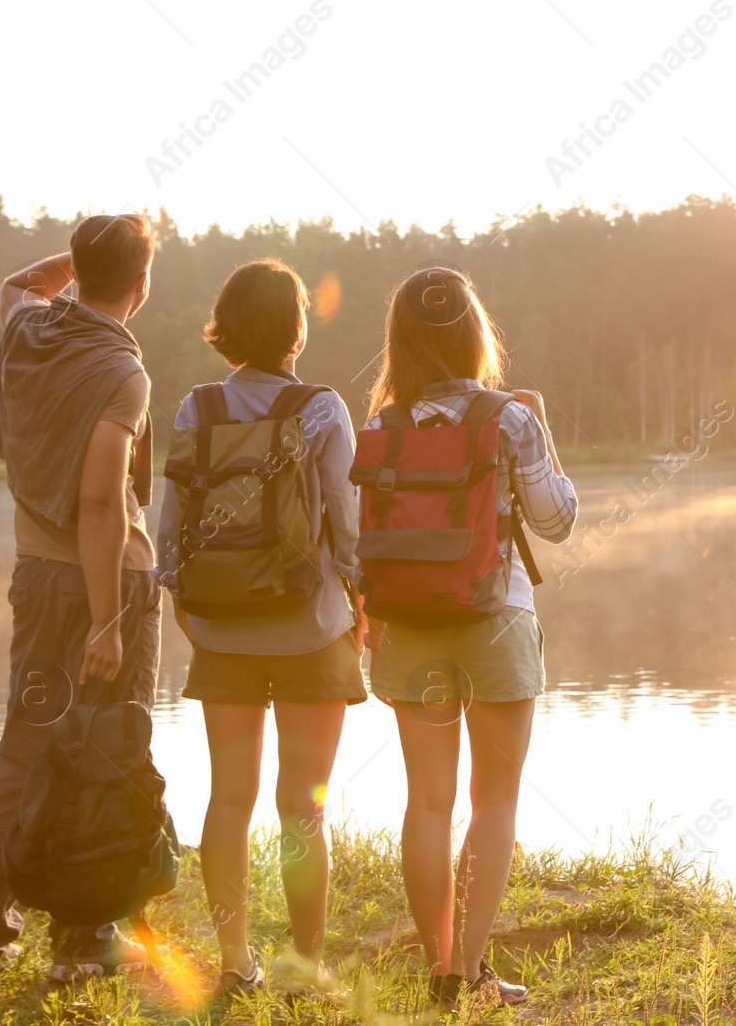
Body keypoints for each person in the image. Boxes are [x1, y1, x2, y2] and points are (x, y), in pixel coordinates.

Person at [0, 214, 162, 983]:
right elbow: (102, 503)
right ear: (142, 285)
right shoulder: (122, 372)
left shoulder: (28, 330)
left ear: (76, 269)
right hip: (107, 583)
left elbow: (18, 284)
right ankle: (82, 939)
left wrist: (73, 262)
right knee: (106, 752)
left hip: (38, 579)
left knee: (28, 748)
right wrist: (108, 619)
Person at [364, 265, 577, 1008]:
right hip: (496, 618)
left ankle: (438, 966)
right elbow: (556, 520)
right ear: (474, 332)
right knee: (494, 800)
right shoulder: (511, 417)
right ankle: (472, 971)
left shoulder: (382, 428)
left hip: (412, 623)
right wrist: (540, 423)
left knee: (427, 800)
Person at [155, 259, 365, 997]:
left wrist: (191, 612)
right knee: (302, 805)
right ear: (295, 326)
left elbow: (170, 530)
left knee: (229, 798)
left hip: (223, 633)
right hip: (312, 628)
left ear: (227, 324)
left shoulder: (197, 408)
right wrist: (361, 607)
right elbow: (349, 524)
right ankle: (306, 967)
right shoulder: (322, 407)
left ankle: (235, 960)